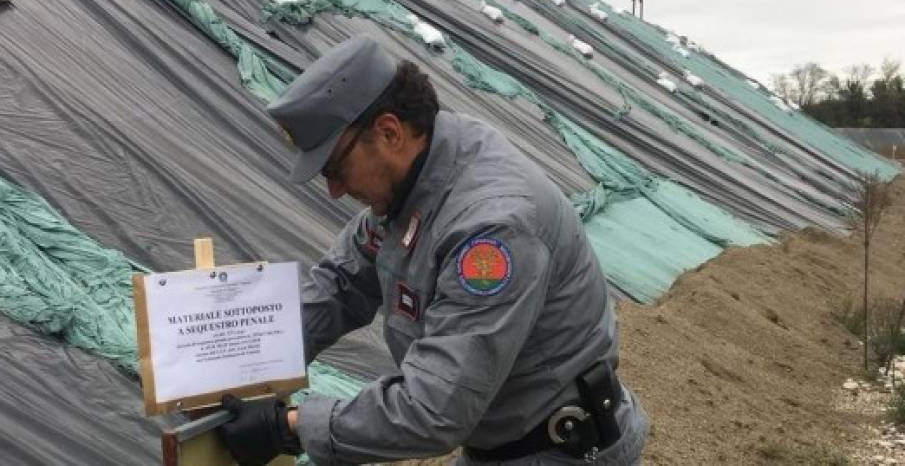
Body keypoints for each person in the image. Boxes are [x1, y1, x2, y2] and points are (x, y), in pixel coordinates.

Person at [218, 35, 649, 465]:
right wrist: (254, 363)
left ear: (389, 132)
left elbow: (433, 410)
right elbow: (341, 283)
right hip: (499, 441)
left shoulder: (491, 229)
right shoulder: (417, 178)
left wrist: (289, 427)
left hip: (558, 452)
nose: (333, 190)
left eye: (335, 168)